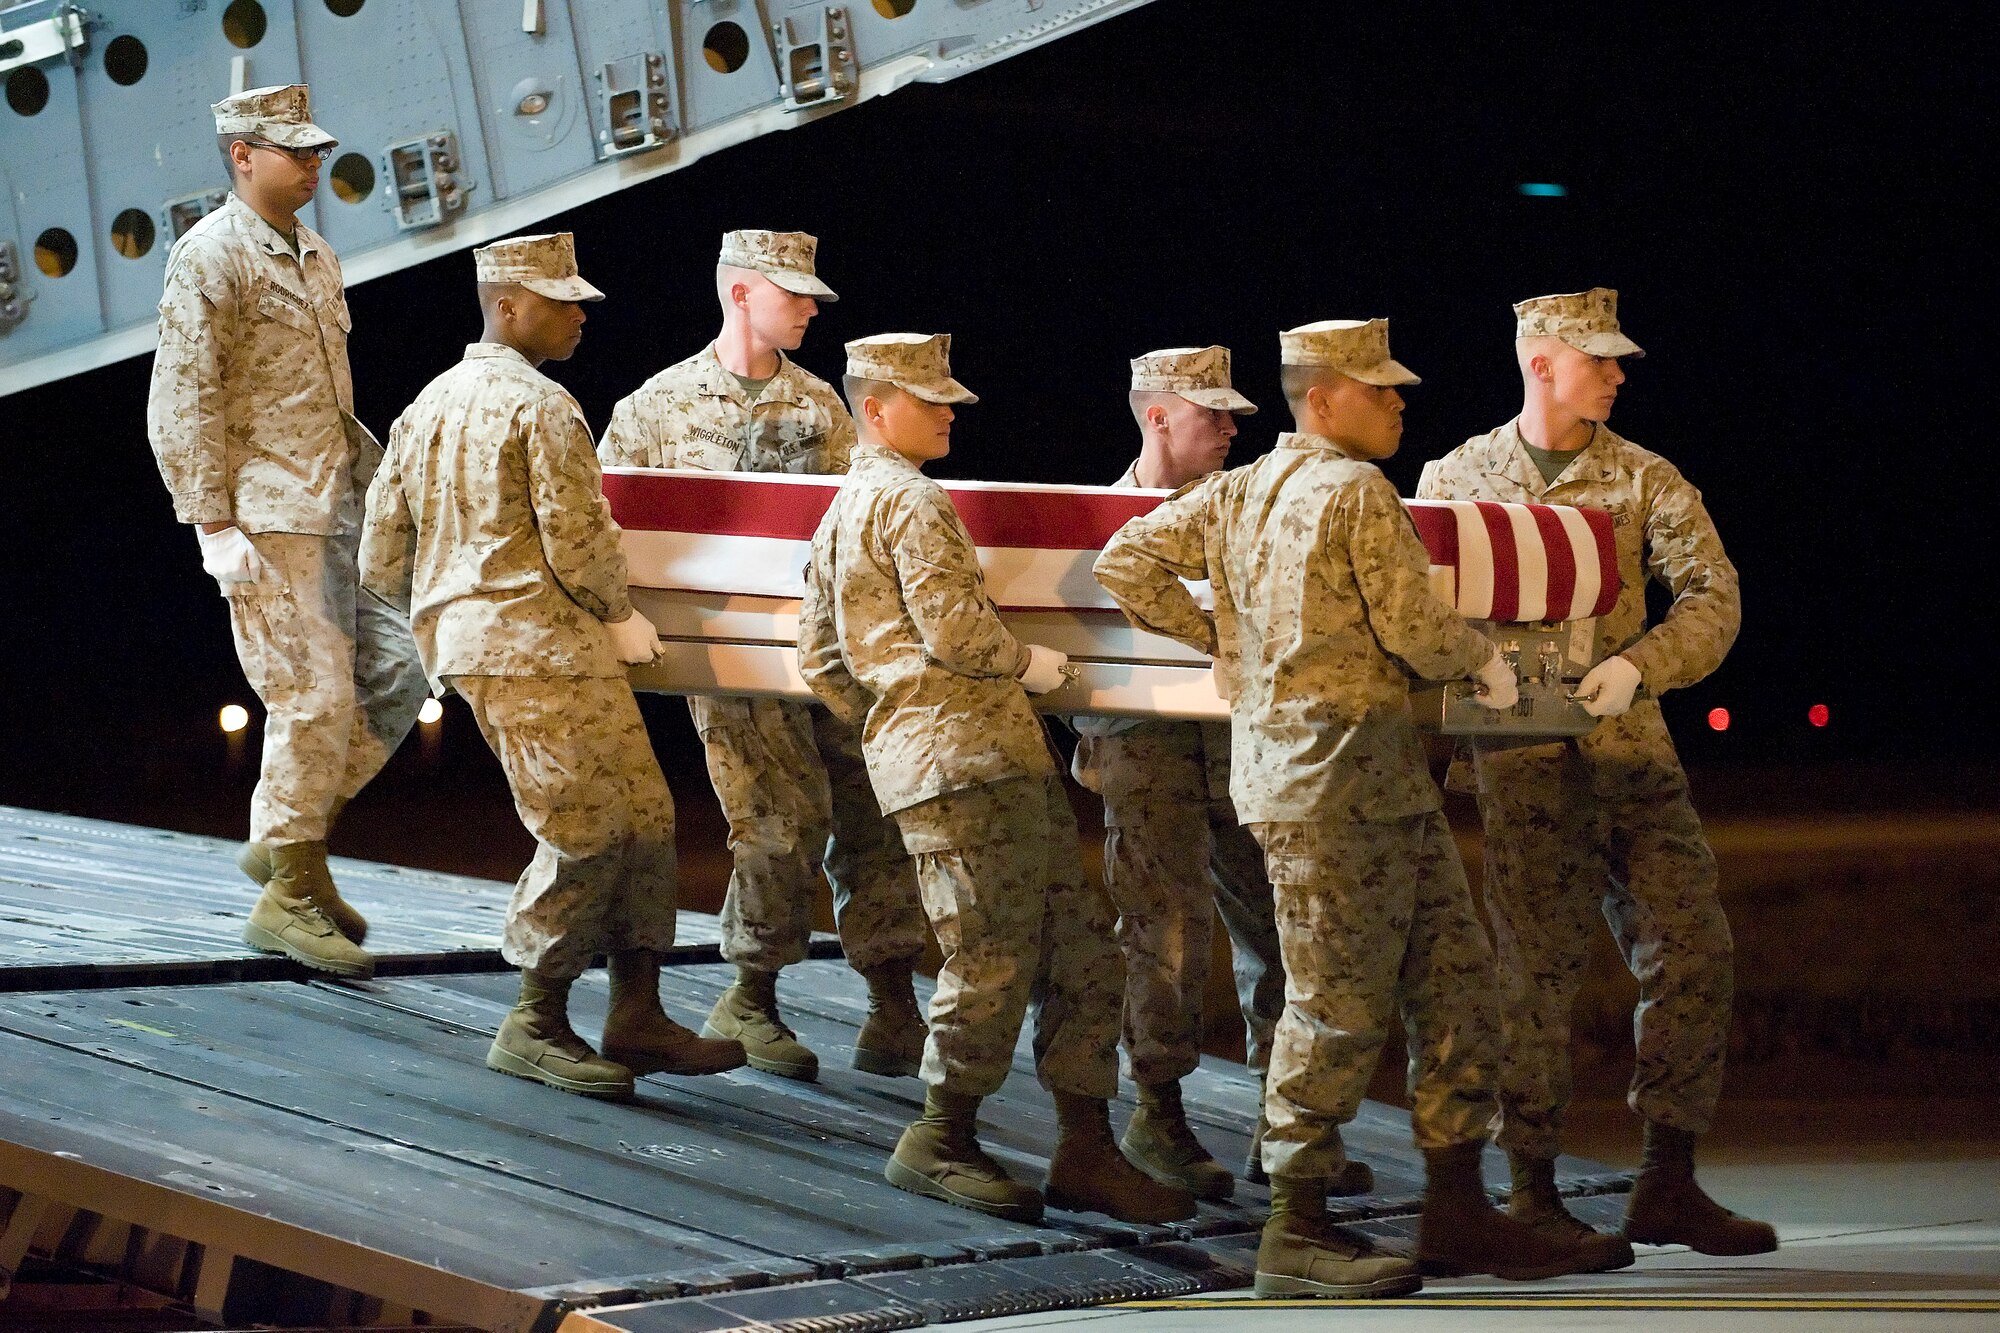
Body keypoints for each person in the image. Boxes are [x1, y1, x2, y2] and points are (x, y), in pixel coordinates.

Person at [1096, 319, 1598, 1297]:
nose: (1398, 400)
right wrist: (1484, 663)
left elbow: (1124, 561)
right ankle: (1295, 1227)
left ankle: (1454, 1207)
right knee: (1334, 1002)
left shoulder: (1236, 492)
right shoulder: (1352, 490)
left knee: (1451, 980)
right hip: (1333, 785)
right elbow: (1414, 628)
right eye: (1378, 388)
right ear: (1322, 399)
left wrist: (1221, 640)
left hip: (1363, 781)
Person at [797, 332, 1193, 1226]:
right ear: (875, 408)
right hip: (965, 763)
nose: (948, 410)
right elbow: (960, 635)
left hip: (973, 762)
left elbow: (820, 658)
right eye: (929, 399)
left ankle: (1085, 1147)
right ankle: (941, 1137)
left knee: (1082, 951)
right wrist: (1033, 664)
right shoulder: (911, 503)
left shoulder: (840, 513)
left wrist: (887, 717)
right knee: (992, 954)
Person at [1416, 289, 1772, 1260]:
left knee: (1692, 949)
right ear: (1541, 364)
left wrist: (1641, 666)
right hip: (1522, 765)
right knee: (1532, 976)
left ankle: (1666, 1177)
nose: (1617, 374)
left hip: (1629, 756)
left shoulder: (1642, 477)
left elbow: (1711, 595)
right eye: (1600, 359)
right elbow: (1421, 610)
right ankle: (1529, 1186)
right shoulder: (1455, 478)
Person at [358, 233, 744, 1099]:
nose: (579, 314)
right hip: (536, 644)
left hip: (515, 646)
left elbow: (380, 555)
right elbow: (579, 538)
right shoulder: (542, 405)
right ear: (507, 307)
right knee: (588, 828)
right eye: (561, 301)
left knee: (644, 811)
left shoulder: (424, 407)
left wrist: (445, 611)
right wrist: (617, 612)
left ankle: (636, 1013)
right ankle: (535, 1019)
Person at [599, 231, 927, 1082]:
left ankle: (893, 1000)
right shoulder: (656, 410)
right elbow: (606, 523)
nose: (813, 307)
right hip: (730, 663)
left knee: (873, 812)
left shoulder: (823, 407)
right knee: (779, 826)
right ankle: (752, 993)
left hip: (827, 655)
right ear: (741, 292)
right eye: (796, 293)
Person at [147, 84, 425, 978]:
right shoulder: (209, 257)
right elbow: (181, 399)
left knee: (401, 668)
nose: (312, 164)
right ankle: (292, 893)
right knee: (310, 697)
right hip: (266, 518)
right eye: (293, 151)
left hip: (340, 500)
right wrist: (212, 524)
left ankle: (285, 843)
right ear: (241, 155)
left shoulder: (316, 254)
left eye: (315, 151)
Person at [1067, 345, 1294, 1203]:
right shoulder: (1088, 523)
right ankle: (1158, 1115)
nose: (1234, 428)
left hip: (1242, 752)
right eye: (1214, 414)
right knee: (1163, 939)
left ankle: (1288, 1126)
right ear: (1158, 416)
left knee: (1277, 931)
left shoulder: (1246, 513)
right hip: (1146, 752)